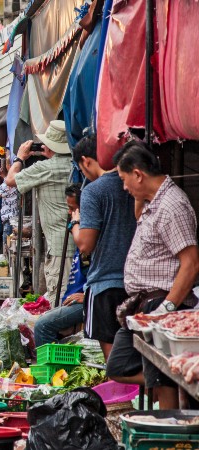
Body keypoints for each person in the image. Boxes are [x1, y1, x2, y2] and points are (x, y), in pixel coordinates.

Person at [106, 141, 199, 410]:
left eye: (125, 179)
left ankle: (172, 426)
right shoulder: (152, 201)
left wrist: (167, 309)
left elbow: (191, 263)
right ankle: (172, 380)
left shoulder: (172, 206)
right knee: (120, 364)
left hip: (162, 303)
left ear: (138, 174)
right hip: (144, 305)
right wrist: (139, 194)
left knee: (161, 373)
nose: (124, 187)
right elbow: (138, 217)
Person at [69, 135, 137, 360]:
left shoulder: (93, 191)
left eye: (81, 168)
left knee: (115, 365)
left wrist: (75, 222)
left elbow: (85, 244)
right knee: (137, 357)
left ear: (86, 161)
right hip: (137, 284)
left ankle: (123, 396)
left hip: (105, 285)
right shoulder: (131, 183)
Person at [6, 120, 74, 297]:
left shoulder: (46, 168)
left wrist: (20, 157)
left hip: (60, 247)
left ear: (50, 146)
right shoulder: (76, 164)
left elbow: (10, 180)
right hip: (78, 241)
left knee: (59, 297)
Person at [34, 185, 89, 347]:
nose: (69, 213)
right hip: (72, 301)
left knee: (43, 326)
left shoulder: (90, 240)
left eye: (73, 209)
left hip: (86, 301)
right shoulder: (82, 236)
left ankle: (52, 372)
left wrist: (87, 295)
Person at [0, 154, 19, 250]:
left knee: (8, 252)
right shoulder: (17, 179)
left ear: (9, 166)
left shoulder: (8, 183)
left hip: (10, 221)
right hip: (15, 220)